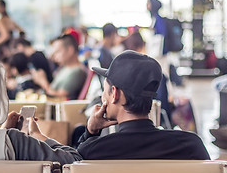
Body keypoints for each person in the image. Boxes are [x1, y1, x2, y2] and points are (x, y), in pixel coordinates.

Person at [77, 50, 210, 160]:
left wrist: (91, 132)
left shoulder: (94, 151)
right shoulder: (191, 146)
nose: (102, 97)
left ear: (115, 93)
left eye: (104, 91)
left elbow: (76, 171)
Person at [32, 34, 87, 100]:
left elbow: (60, 98)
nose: (54, 56)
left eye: (57, 52)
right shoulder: (64, 68)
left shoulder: (77, 71)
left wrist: (43, 82)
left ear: (70, 50)